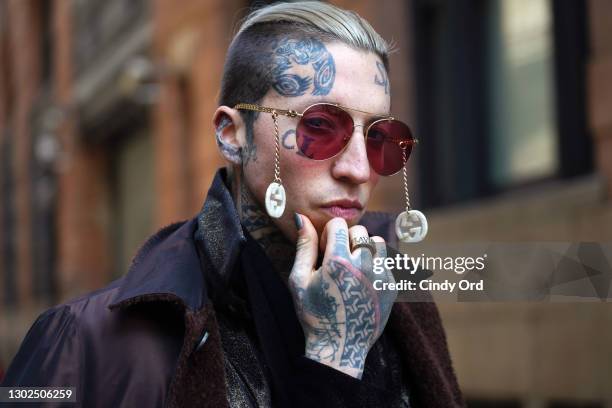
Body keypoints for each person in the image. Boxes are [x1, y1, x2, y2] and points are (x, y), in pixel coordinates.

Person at [1, 2, 463, 407]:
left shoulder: (407, 307)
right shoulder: (80, 345)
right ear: (232, 134)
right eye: (321, 126)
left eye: (380, 136)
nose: (360, 169)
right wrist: (335, 361)